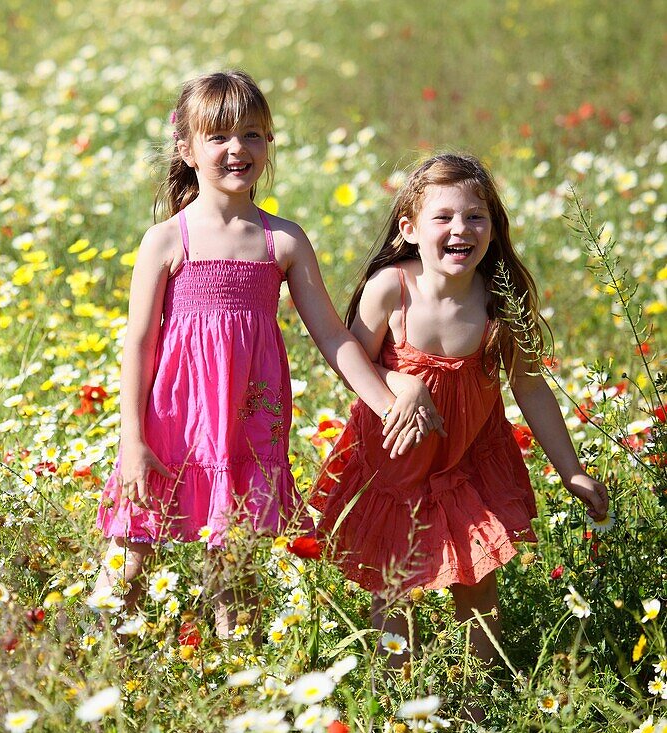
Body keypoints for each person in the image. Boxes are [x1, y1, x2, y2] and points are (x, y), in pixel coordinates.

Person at [92, 70, 440, 639]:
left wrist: (385, 401)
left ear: (269, 142)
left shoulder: (283, 241)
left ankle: (239, 683)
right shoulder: (165, 240)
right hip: (169, 425)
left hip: (248, 422)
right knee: (129, 562)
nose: (237, 149)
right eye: (219, 136)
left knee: (235, 572)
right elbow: (138, 344)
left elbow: (332, 335)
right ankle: (89, 661)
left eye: (253, 135)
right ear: (186, 148)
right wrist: (132, 438)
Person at [309, 153, 609, 676]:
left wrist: (572, 469)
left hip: (468, 460)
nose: (460, 229)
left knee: (477, 576)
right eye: (442, 217)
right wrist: (400, 380)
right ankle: (402, 694)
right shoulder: (392, 290)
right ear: (409, 229)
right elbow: (351, 357)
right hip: (397, 461)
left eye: (475, 216)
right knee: (394, 576)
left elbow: (530, 387)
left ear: (493, 230)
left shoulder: (497, 300)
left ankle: (477, 692)